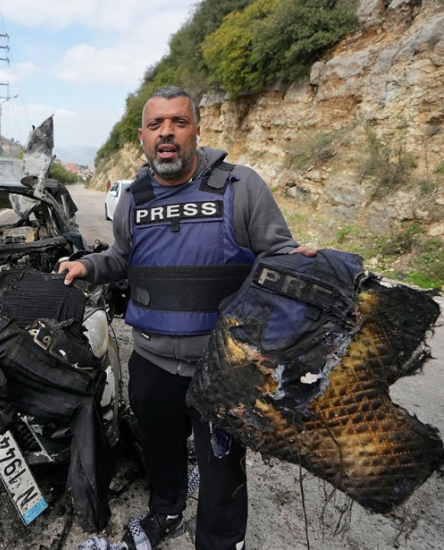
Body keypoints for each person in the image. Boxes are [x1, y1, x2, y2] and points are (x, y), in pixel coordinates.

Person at [59, 85, 314, 550]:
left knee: (221, 468)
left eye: (178, 122)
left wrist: (303, 263)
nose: (167, 133)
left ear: (197, 129)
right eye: (156, 125)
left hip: (222, 366)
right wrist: (87, 266)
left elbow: (279, 256)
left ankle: (218, 541)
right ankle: (167, 513)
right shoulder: (134, 197)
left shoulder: (241, 186)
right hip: (152, 362)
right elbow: (120, 257)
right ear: (142, 136)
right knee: (160, 451)